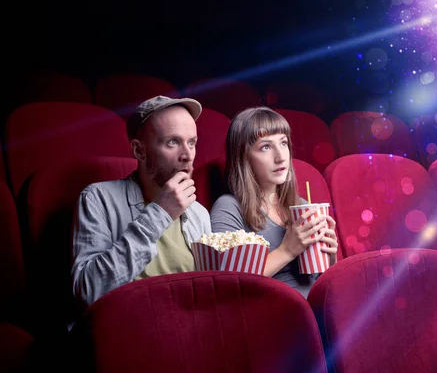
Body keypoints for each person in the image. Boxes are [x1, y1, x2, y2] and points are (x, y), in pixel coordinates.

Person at [71, 95, 211, 307]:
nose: (187, 155)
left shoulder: (199, 214)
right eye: (172, 142)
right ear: (139, 150)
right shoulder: (97, 198)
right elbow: (88, 291)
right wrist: (160, 213)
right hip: (127, 327)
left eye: (192, 142)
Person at [210, 106, 338, 298]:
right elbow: (228, 285)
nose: (280, 157)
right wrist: (287, 250)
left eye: (284, 143)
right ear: (243, 157)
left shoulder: (302, 205)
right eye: (266, 147)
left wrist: (331, 256)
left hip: (318, 305)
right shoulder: (229, 207)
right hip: (275, 312)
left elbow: (323, 280)